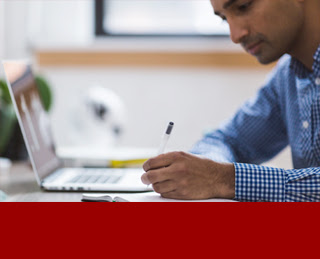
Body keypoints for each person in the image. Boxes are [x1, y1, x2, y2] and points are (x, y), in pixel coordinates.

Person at [141, 0, 320, 202]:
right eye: (224, 19)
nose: (235, 36)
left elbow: (220, 176)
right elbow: (228, 140)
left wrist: (224, 179)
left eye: (244, 6)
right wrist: (202, 171)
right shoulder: (288, 75)